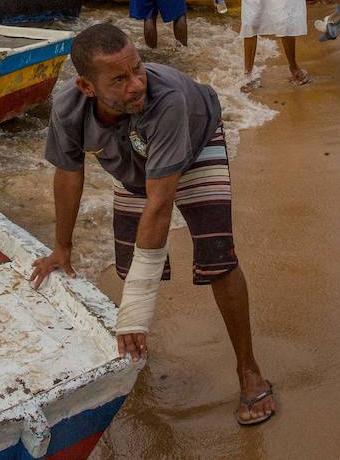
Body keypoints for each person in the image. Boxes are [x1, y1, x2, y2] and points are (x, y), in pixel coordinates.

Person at [30, 24, 276, 427]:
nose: (136, 84)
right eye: (120, 79)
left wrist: (135, 313)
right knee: (128, 265)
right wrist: (62, 247)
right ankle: (137, 349)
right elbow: (68, 175)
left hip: (195, 142)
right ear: (86, 87)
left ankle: (248, 369)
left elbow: (161, 204)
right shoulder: (67, 108)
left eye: (138, 69)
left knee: (218, 259)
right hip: (134, 162)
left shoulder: (167, 99)